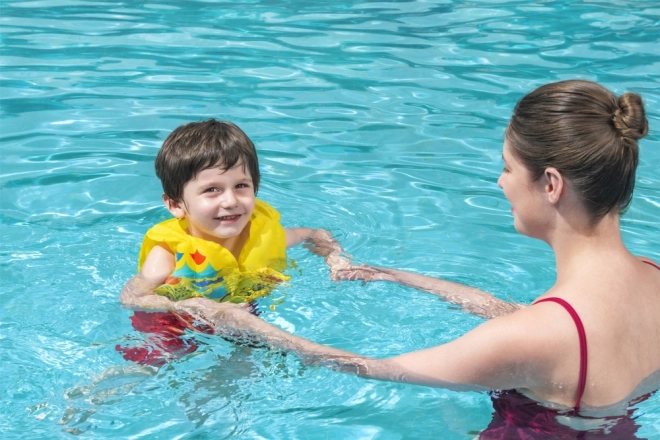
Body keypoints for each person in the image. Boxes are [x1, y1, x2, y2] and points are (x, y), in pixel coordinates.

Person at [175, 80, 659, 437]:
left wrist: (243, 325)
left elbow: (368, 367)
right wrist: (401, 277)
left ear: (551, 185)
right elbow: (543, 329)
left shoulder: (532, 337)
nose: (501, 182)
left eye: (508, 167)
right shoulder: (652, 281)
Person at [118, 119, 348, 366]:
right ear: (176, 205)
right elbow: (132, 297)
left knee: (248, 363)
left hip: (239, 309)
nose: (230, 201)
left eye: (240, 186)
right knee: (153, 365)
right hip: (175, 319)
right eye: (212, 190)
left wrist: (336, 258)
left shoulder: (262, 235)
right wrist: (189, 305)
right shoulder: (168, 253)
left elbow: (314, 234)